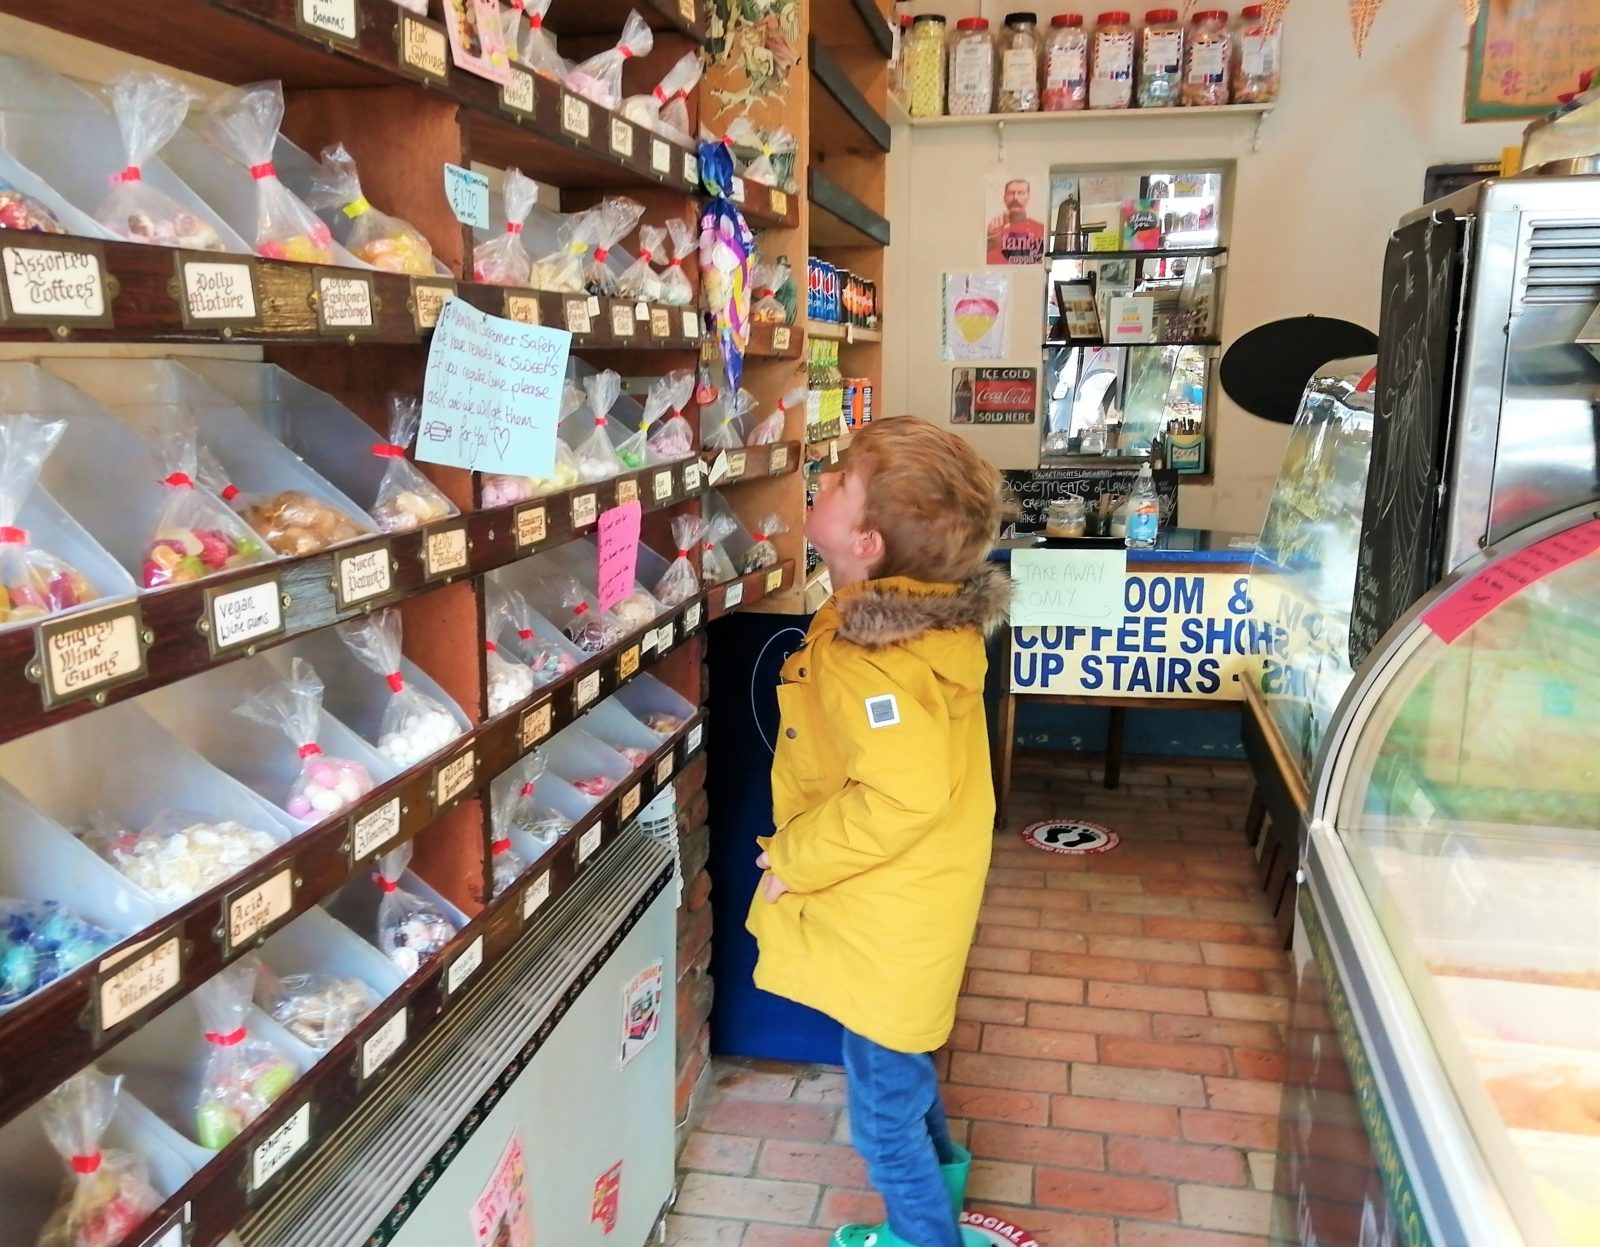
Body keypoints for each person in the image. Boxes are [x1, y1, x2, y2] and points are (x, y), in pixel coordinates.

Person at [748, 416, 1010, 1247]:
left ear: (864, 542)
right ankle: (946, 1194)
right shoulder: (912, 624)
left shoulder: (873, 659)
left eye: (837, 482)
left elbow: (903, 796)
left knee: (881, 1119)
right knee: (902, 1064)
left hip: (887, 918)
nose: (820, 481)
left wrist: (794, 858)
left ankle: (925, 1236)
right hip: (909, 907)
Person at [985, 178, 1045, 265]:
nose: (1015, 198)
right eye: (1010, 193)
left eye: (1021, 193)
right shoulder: (990, 229)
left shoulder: (1040, 228)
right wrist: (990, 235)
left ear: (1028, 197)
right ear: (1004, 198)